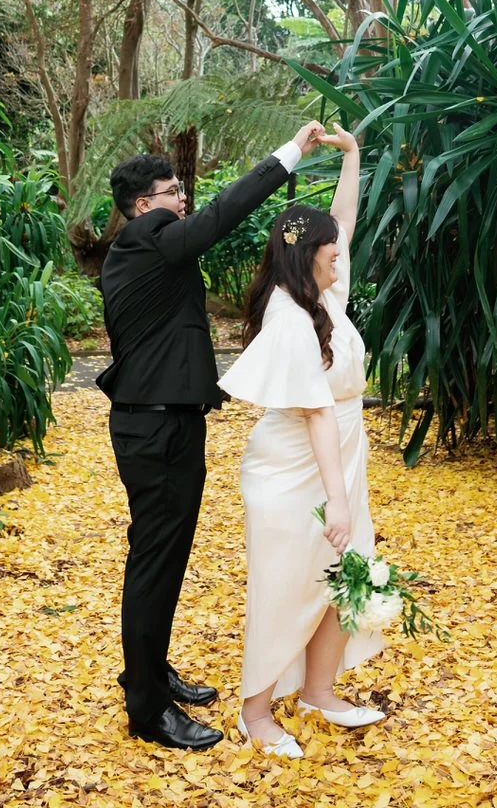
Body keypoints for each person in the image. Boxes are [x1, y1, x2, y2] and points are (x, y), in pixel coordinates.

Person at [97, 120, 324, 750]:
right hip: (157, 427)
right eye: (173, 191)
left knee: (161, 560)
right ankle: (145, 709)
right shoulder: (149, 236)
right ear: (144, 206)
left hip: (163, 421)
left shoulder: (146, 249)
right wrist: (288, 155)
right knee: (153, 564)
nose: (183, 200)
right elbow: (221, 215)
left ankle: (151, 669)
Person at [217, 123, 385, 759]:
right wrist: (336, 501)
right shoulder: (289, 317)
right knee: (288, 581)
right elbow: (314, 413)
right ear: (306, 252)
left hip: (340, 454)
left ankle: (319, 689)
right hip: (295, 468)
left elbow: (344, 218)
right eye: (330, 246)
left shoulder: (323, 295)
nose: (340, 248)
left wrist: (352, 155)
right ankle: (254, 710)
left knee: (344, 574)